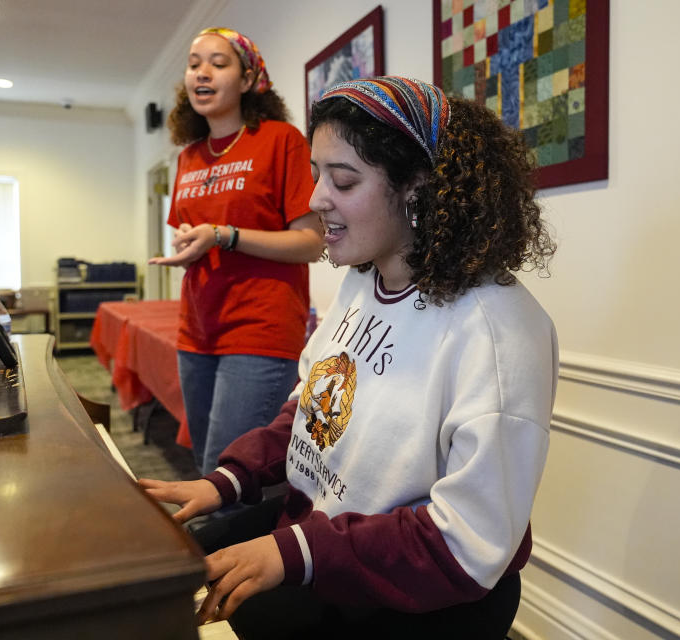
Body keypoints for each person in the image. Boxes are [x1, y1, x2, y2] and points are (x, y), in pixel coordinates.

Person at [140, 76, 558, 638]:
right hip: (324, 537)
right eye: (317, 175)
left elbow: (465, 543)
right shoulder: (366, 278)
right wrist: (228, 479)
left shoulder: (497, 330)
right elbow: (312, 406)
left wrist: (292, 553)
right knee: (160, 575)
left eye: (343, 180)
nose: (315, 201)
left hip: (408, 594)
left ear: (416, 188)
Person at [149, 27, 324, 475]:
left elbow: (311, 241)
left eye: (218, 63)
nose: (201, 74)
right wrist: (190, 246)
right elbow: (196, 236)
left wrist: (225, 234)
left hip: (260, 330)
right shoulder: (188, 157)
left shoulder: (281, 140)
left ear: (248, 80)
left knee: (227, 475)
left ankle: (231, 549)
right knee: (206, 464)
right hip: (198, 328)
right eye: (193, 64)